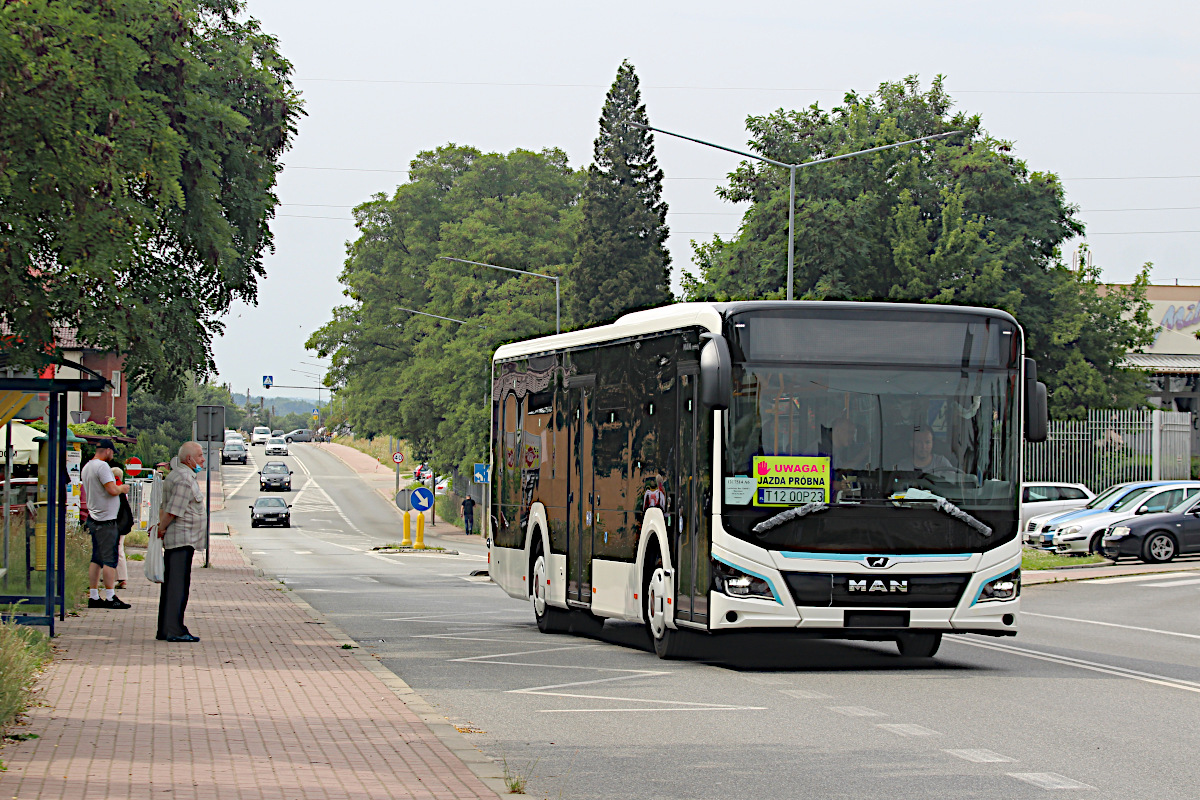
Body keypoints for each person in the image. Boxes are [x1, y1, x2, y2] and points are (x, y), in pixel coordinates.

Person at [155, 442, 206, 643]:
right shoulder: (185, 479)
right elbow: (173, 510)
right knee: (178, 586)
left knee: (172, 586)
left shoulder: (178, 475)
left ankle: (166, 627)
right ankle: (174, 629)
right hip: (181, 539)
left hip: (182, 539)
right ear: (189, 459)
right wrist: (161, 528)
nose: (203, 459)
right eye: (200, 455)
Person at [80, 439, 132, 609]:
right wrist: (122, 488)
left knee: (96, 558)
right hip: (107, 520)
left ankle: (94, 595)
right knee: (110, 559)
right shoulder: (102, 467)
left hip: (94, 517)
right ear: (108, 451)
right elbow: (111, 489)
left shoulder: (87, 467)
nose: (112, 456)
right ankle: (110, 596)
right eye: (112, 452)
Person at [110, 466, 135, 590]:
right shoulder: (123, 489)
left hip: (116, 524)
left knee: (117, 549)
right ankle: (119, 577)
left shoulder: (115, 488)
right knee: (119, 549)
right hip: (123, 524)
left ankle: (119, 577)